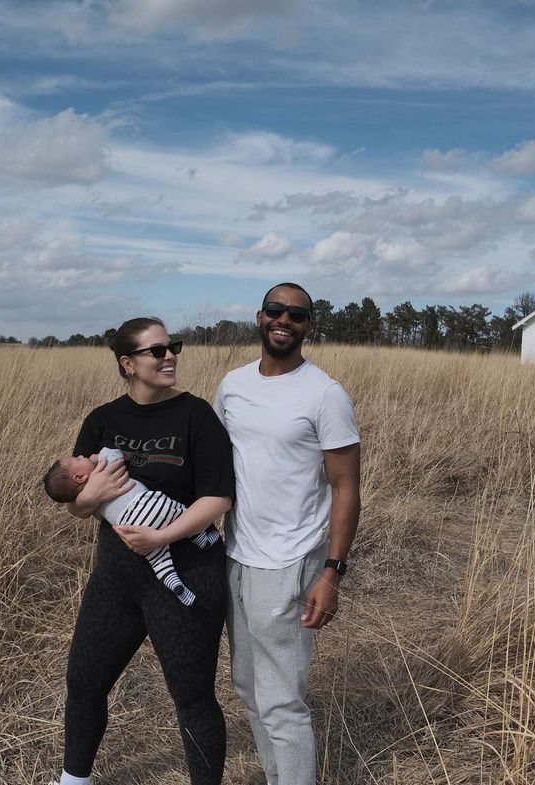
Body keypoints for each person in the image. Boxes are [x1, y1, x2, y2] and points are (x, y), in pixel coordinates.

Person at [55, 318, 234, 785]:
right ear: (127, 363)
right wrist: (91, 499)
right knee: (84, 681)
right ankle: (73, 781)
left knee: (192, 697)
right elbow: (77, 502)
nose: (169, 356)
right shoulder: (102, 420)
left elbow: (218, 498)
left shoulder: (196, 416)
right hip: (117, 576)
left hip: (187, 573)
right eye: (156, 351)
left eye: (172, 347)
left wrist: (162, 537)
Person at [213, 283, 362, 785]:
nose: (284, 320)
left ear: (309, 326)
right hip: (236, 554)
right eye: (276, 310)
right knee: (247, 686)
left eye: (297, 315)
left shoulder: (325, 394)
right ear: (259, 317)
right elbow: (213, 463)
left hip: (291, 560)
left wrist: (331, 573)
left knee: (281, 702)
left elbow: (345, 487)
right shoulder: (233, 385)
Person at [42, 446, 220, 605]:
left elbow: (93, 514)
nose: (81, 455)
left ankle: (175, 584)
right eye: (77, 459)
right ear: (80, 477)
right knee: (181, 513)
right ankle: (200, 538)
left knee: (158, 560)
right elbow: (114, 454)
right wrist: (98, 457)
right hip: (148, 505)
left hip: (132, 531)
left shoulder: (94, 506)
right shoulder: (103, 468)